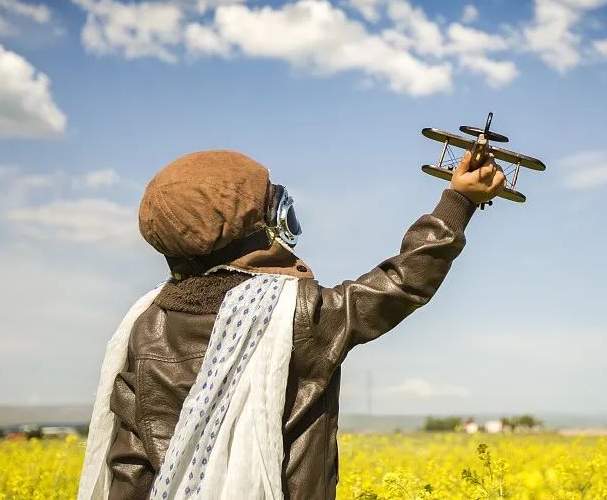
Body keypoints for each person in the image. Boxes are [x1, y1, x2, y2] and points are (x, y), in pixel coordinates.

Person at [78, 144, 505, 499]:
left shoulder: (146, 322)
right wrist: (458, 201)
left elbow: (130, 462)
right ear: (255, 231)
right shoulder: (294, 315)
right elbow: (399, 284)